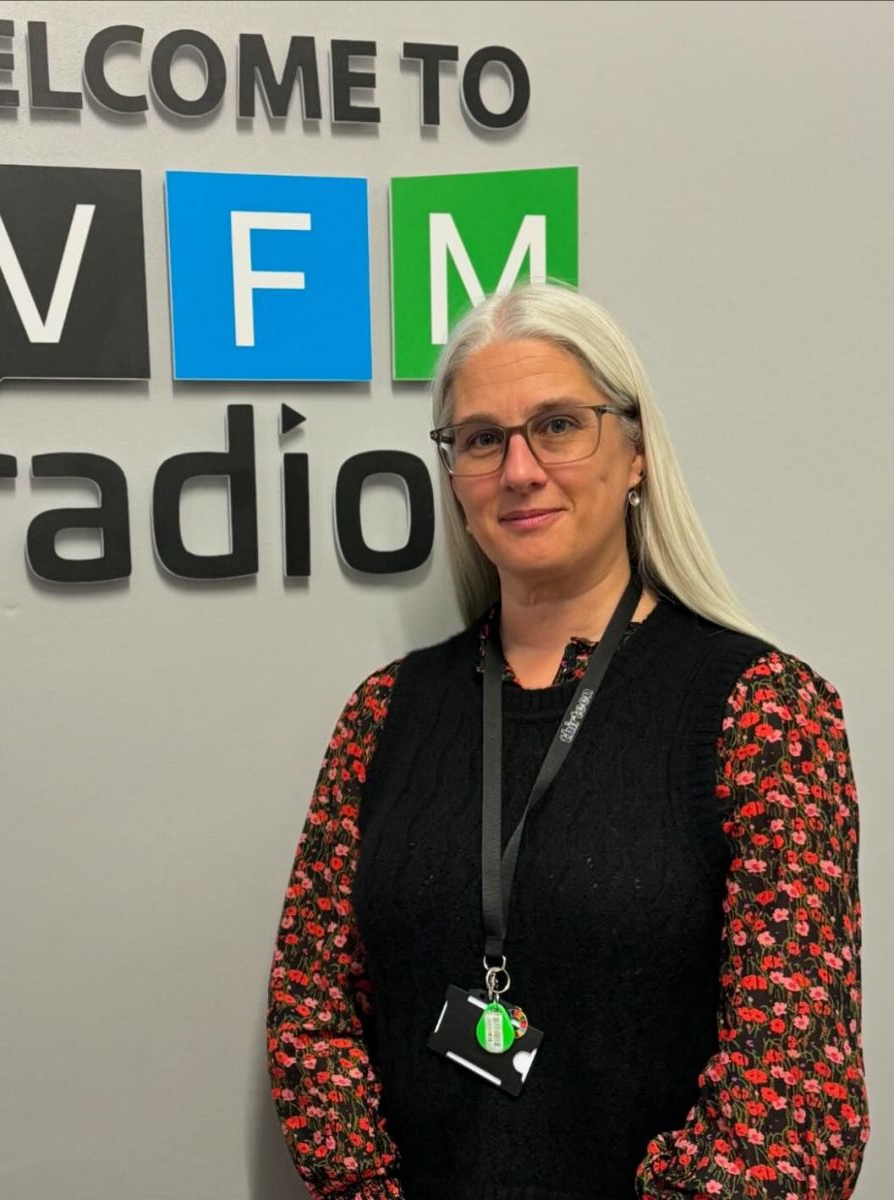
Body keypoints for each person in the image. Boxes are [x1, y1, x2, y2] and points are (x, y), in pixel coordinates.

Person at [265, 282, 868, 1200]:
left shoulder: (765, 711)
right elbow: (310, 1011)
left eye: (556, 425)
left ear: (634, 453)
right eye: (480, 439)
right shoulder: (381, 716)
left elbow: (799, 1094)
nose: (518, 470)